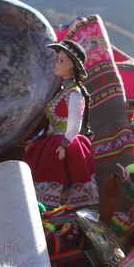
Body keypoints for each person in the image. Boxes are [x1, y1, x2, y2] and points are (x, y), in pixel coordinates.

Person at [23, 39, 98, 209]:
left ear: (72, 66)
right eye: (58, 60)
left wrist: (64, 144)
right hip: (55, 142)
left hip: (68, 145)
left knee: (65, 179)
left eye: (61, 61)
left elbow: (75, 126)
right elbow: (51, 126)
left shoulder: (75, 94)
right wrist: (35, 139)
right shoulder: (62, 93)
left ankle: (65, 217)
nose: (57, 64)